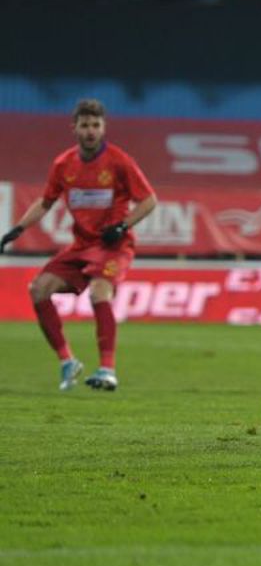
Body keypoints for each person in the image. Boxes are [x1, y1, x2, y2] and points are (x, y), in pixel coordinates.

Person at [0, 99, 157, 391]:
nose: (90, 131)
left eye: (96, 125)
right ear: (74, 128)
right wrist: (18, 229)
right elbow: (46, 202)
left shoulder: (119, 162)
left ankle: (107, 370)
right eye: (85, 125)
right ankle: (67, 362)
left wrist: (123, 226)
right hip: (81, 245)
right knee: (38, 289)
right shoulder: (63, 164)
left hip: (114, 245)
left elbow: (149, 201)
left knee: (99, 291)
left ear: (103, 128)